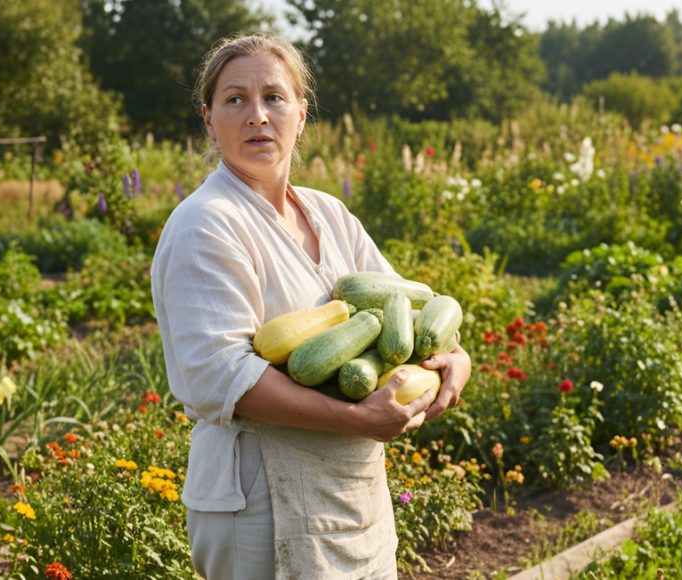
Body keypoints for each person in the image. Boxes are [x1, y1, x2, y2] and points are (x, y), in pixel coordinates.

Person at [150, 33, 472, 580]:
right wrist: (357, 417)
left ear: (301, 113)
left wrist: (453, 356)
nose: (257, 116)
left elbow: (407, 310)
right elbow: (221, 375)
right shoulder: (207, 224)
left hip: (351, 492)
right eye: (235, 100)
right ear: (209, 119)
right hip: (257, 498)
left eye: (274, 98)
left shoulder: (330, 214)